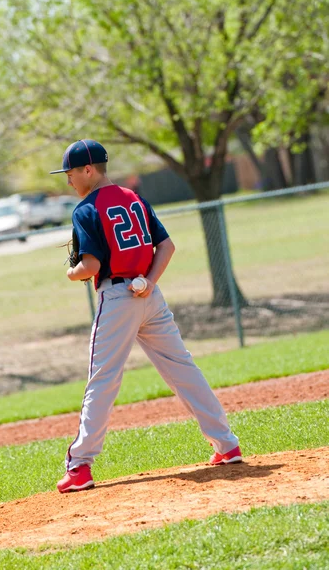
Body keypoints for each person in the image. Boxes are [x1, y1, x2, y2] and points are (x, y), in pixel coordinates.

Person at [51, 139, 242, 493]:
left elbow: (90, 265)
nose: (68, 181)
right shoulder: (133, 197)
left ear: (88, 170)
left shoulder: (85, 209)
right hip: (149, 294)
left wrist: (72, 272)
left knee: (102, 379)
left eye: (71, 173)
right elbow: (166, 245)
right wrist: (150, 283)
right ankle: (227, 444)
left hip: (117, 298)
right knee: (182, 368)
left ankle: (80, 466)